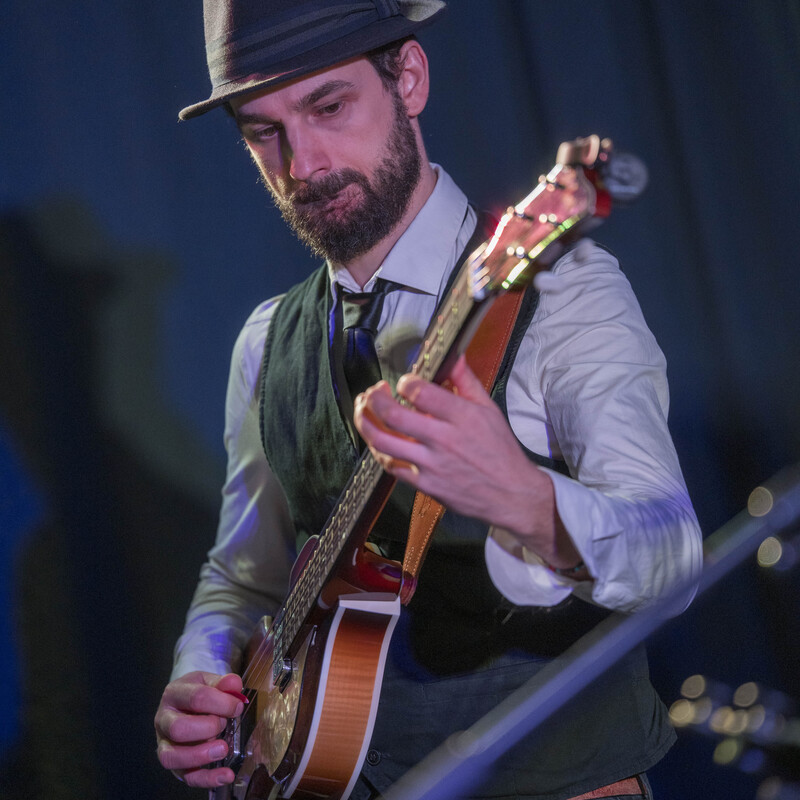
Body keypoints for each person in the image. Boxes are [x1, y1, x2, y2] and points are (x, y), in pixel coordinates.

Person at [154, 1, 703, 798]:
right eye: (262, 131)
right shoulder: (266, 341)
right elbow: (243, 576)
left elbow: (676, 560)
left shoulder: (563, 293)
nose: (301, 163)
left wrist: (529, 504)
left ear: (408, 78)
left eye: (328, 105)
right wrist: (200, 673)